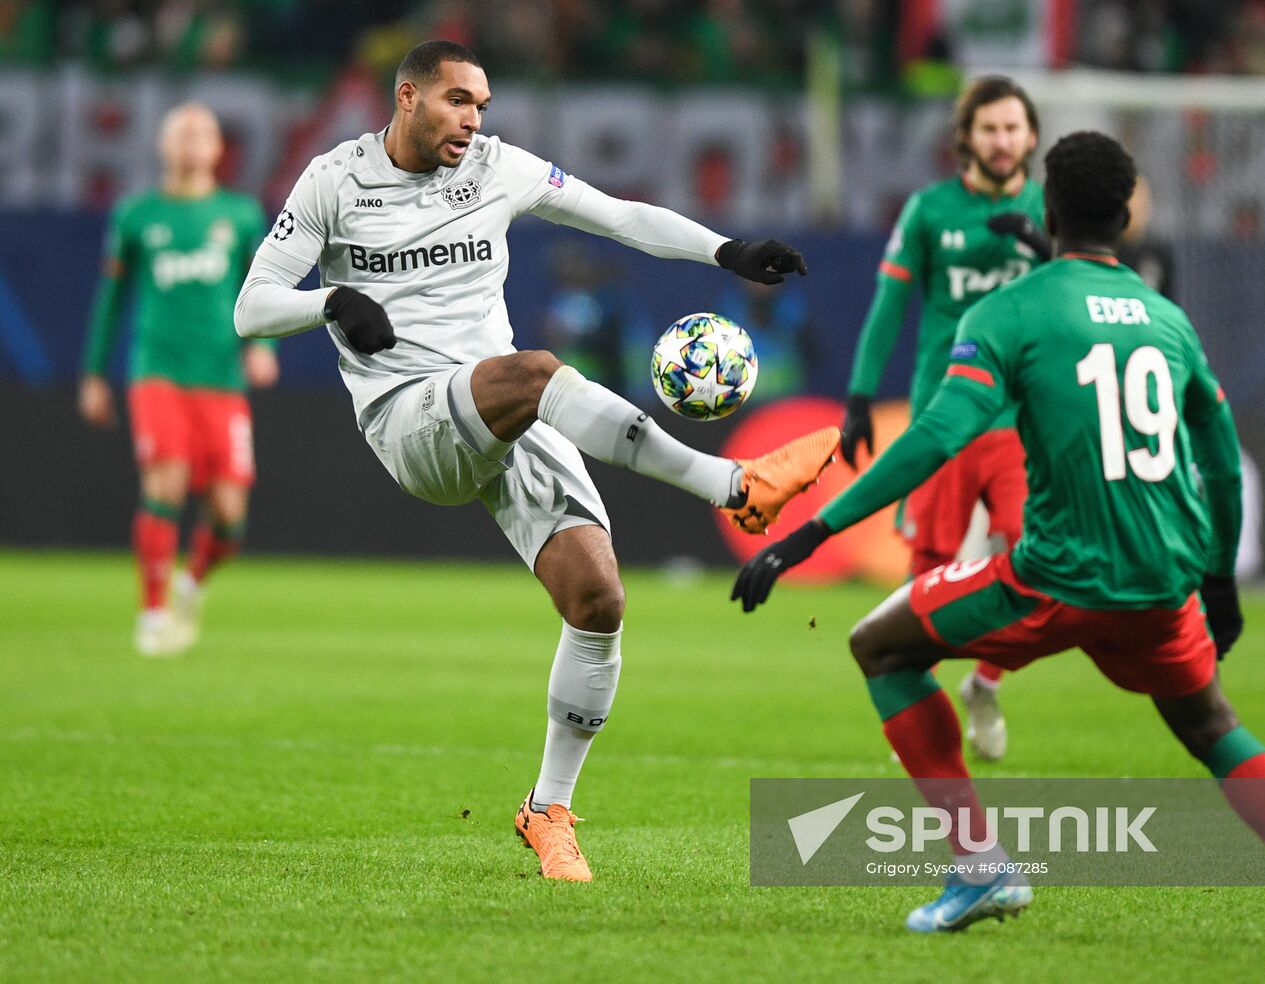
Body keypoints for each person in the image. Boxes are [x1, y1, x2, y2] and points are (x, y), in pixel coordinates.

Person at [732, 131, 1265, 950]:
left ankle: (979, 863)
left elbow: (936, 437)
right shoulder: (1166, 319)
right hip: (1161, 585)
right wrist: (1218, 583)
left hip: (1054, 579)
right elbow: (1220, 466)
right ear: (1124, 215)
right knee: (1213, 724)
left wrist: (812, 530)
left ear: (1046, 208)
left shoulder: (1011, 311)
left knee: (879, 646)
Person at [233, 40, 838, 883]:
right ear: (406, 97)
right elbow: (252, 309)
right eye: (456, 101)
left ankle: (548, 811)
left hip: (508, 411)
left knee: (599, 601)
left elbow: (620, 214)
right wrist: (333, 300)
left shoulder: (496, 167)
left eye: (481, 103)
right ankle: (734, 484)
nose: (473, 119)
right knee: (540, 370)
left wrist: (725, 251)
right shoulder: (334, 181)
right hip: (409, 418)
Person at [840, 76, 1050, 761]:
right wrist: (861, 397)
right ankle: (919, 712)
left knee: (1039, 567)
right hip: (946, 415)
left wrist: (1045, 248)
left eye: (1013, 128)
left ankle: (985, 683)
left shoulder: (1050, 210)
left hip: (1024, 418)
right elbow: (886, 307)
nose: (1001, 140)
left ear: (1031, 137)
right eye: (989, 128)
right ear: (967, 138)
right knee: (927, 570)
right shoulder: (929, 210)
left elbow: (1094, 280)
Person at [80, 103, 277, 658]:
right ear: (164, 146)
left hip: (221, 378)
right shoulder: (136, 215)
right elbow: (111, 299)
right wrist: (94, 375)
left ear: (219, 149)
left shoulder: (238, 215)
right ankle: (152, 611)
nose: (192, 141)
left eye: (203, 133)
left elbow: (255, 293)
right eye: (181, 132)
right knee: (165, 480)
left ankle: (191, 582)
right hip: (158, 370)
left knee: (230, 517)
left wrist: (259, 347)